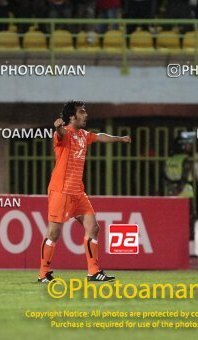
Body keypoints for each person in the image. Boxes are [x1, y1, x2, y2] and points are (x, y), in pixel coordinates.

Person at [38, 100, 132, 283]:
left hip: (78, 192)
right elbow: (60, 133)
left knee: (93, 228)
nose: (86, 114)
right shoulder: (64, 134)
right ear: (72, 117)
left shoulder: (83, 135)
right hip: (61, 191)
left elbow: (101, 136)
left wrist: (120, 139)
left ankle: (93, 272)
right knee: (53, 233)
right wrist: (58, 127)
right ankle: (44, 273)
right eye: (82, 112)